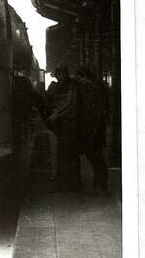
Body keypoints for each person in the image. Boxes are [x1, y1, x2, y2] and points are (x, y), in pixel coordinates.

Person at [45, 65, 82, 192]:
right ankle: (67, 183)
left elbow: (71, 103)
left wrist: (56, 114)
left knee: (69, 154)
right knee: (64, 154)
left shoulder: (73, 85)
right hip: (62, 125)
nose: (61, 78)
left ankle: (71, 184)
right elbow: (48, 100)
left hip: (70, 124)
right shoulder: (57, 86)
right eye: (59, 75)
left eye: (62, 75)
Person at [75, 66, 110, 195]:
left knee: (96, 156)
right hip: (93, 127)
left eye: (80, 78)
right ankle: (99, 184)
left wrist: (92, 126)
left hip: (95, 127)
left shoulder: (95, 88)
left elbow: (98, 109)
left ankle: (101, 186)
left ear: (85, 76)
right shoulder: (94, 86)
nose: (80, 81)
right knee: (94, 156)